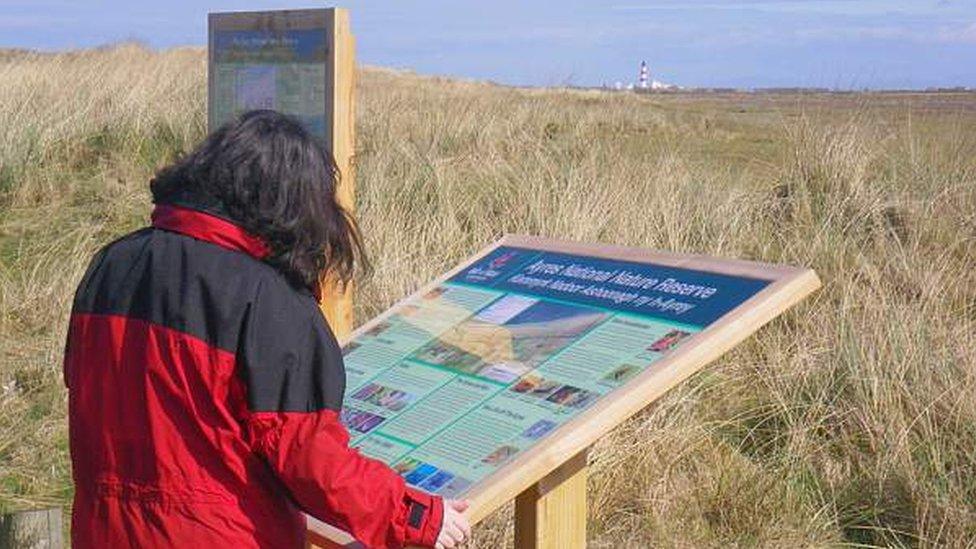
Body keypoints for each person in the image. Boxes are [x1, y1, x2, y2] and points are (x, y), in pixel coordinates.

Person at [62, 110, 471, 549]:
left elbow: (80, 386)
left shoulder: (112, 263)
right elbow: (308, 458)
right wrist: (412, 514)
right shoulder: (268, 300)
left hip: (104, 531)